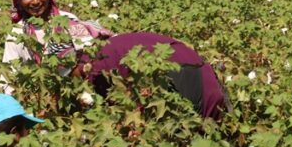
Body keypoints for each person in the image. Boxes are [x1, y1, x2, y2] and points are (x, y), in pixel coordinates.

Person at [74, 32, 229, 120]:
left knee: (178, 137)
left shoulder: (94, 68)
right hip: (199, 69)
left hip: (177, 75)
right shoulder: (108, 45)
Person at [2, 0, 110, 65]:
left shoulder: (67, 21)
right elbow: (9, 76)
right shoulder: (17, 33)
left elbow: (87, 58)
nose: (35, 1)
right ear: (19, 0)